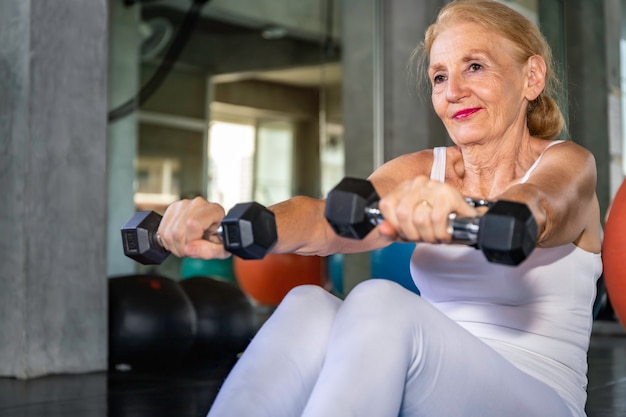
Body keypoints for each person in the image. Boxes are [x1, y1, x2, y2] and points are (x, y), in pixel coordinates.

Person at [158, 0, 602, 416]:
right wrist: (231, 225)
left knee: (379, 300)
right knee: (308, 304)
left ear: (531, 77)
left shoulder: (569, 163)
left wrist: (467, 215)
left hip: (539, 397)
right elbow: (328, 219)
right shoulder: (424, 169)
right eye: (440, 77)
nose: (454, 91)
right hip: (432, 386)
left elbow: (537, 206)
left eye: (475, 67)